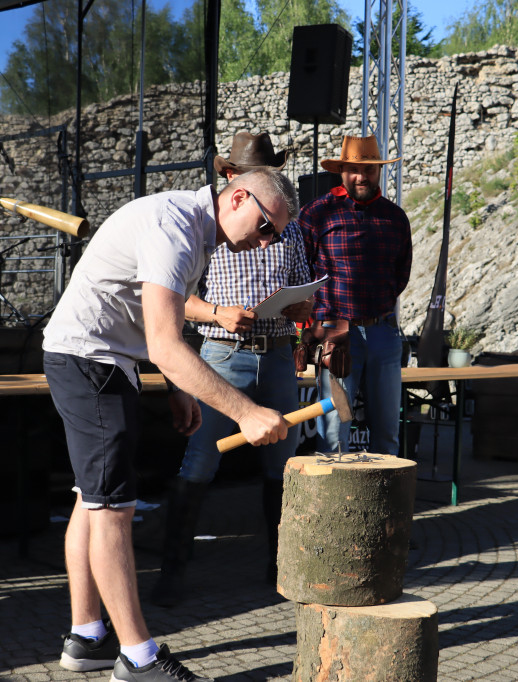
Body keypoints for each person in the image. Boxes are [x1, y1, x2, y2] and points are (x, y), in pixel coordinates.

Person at [42, 168, 298, 681]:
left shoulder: (197, 229)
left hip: (103, 360)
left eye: (277, 236)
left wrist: (178, 388)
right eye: (267, 227)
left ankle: (86, 637)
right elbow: (164, 341)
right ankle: (138, 659)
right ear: (239, 197)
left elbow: (158, 311)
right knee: (113, 508)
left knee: (91, 501)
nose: (267, 241)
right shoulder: (174, 226)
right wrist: (246, 413)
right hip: (91, 359)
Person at [150, 132, 312, 607]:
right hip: (222, 351)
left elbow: (303, 289)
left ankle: (282, 568)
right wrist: (218, 312)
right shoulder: (204, 228)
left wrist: (302, 308)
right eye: (249, 176)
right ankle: (172, 574)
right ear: (230, 180)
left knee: (282, 466)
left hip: (278, 352)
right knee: (200, 460)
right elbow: (176, 299)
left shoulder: (291, 228)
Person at [298, 135, 412, 455]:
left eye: (369, 170)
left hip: (383, 334)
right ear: (342, 171)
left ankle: (384, 504)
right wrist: (317, 326)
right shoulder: (316, 214)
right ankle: (333, 506)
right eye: (353, 170)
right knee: (334, 430)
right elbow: (300, 272)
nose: (361, 177)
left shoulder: (395, 218)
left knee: (388, 430)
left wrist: (374, 309)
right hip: (336, 334)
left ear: (379, 171)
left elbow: (401, 275)